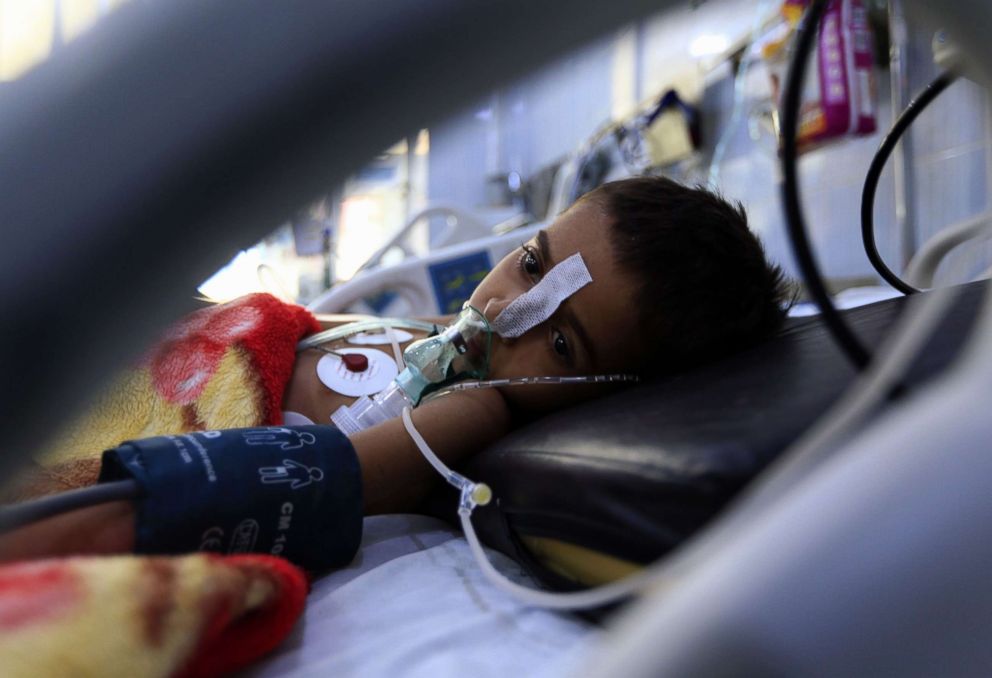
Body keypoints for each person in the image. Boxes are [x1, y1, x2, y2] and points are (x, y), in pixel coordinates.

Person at [0, 176, 790, 562]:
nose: (507, 311)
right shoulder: (447, 332)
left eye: (560, 345)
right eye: (528, 262)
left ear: (617, 396)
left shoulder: (471, 410)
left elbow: (248, 486)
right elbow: (294, 326)